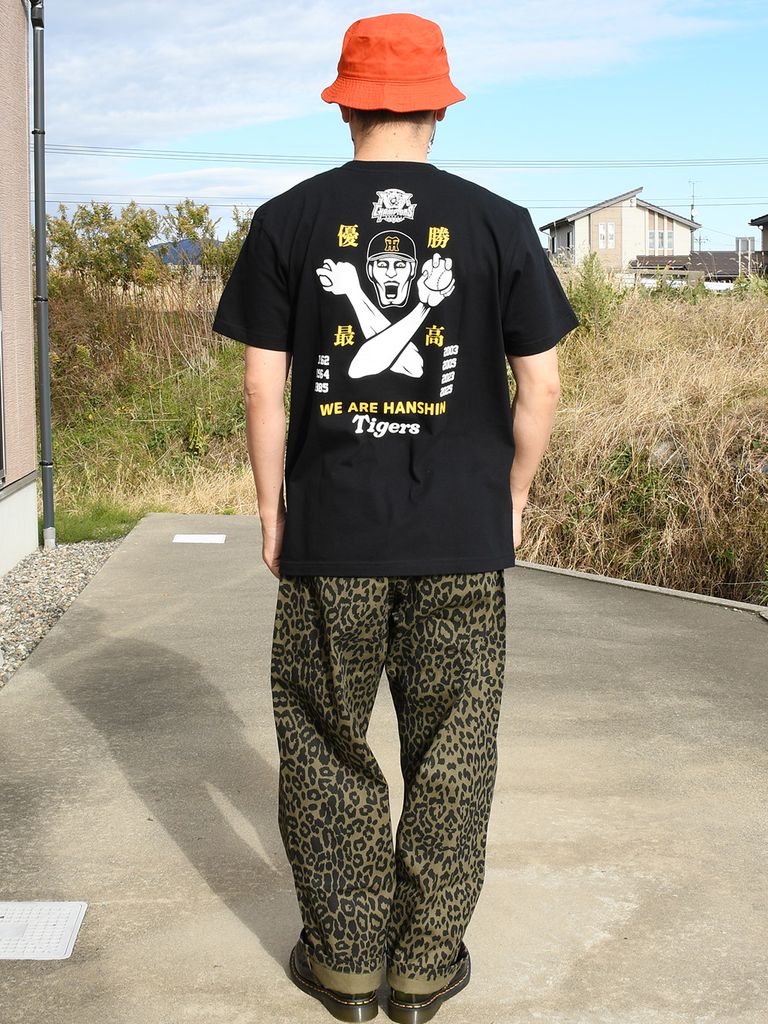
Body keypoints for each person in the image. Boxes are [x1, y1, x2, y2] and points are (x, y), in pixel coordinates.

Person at [212, 12, 579, 1023]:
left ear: (345, 106)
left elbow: (262, 388)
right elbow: (542, 387)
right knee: (455, 747)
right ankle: (422, 967)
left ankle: (343, 963)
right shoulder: (501, 222)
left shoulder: (286, 220)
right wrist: (511, 497)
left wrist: (271, 509)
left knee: (325, 740)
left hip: (332, 532)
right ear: (439, 109)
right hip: (461, 535)